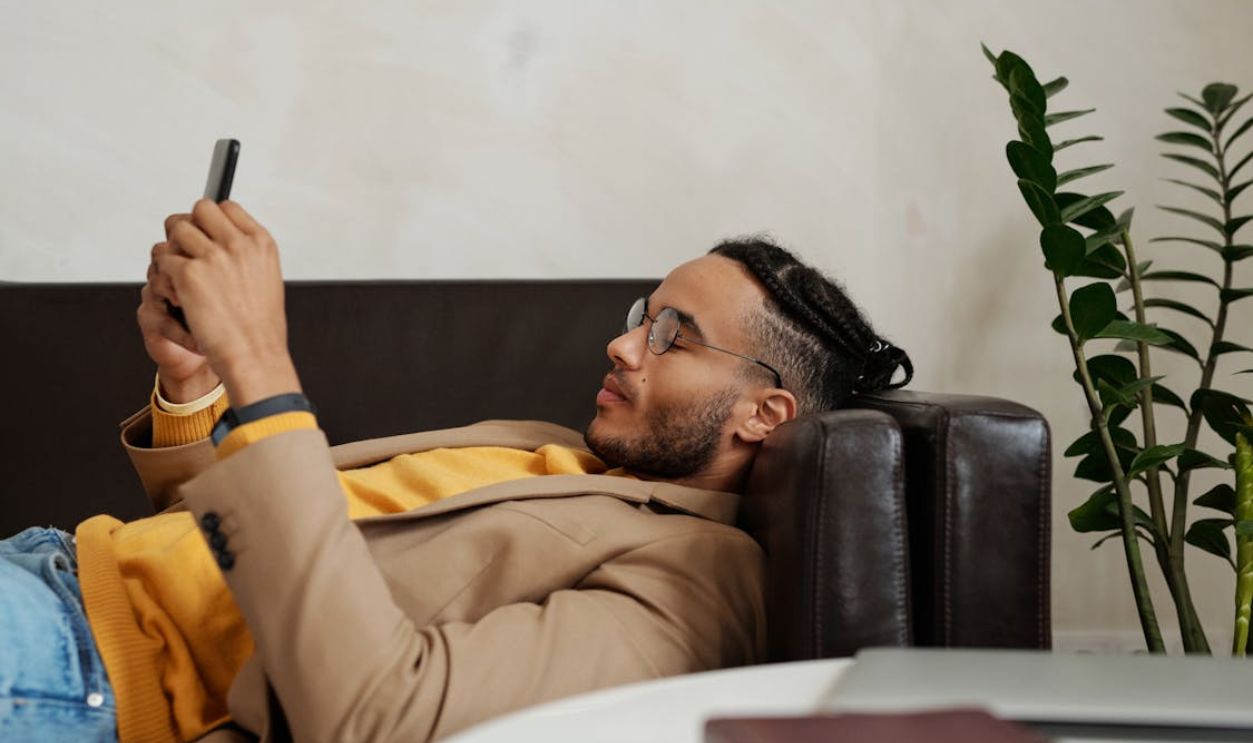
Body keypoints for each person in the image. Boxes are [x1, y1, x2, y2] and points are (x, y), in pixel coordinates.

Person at [0, 200, 912, 743]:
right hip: (56, 570)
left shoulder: (700, 585)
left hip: (80, 662)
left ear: (765, 411)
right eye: (646, 312)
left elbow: (380, 715)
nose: (624, 342)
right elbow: (249, 541)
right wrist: (196, 379)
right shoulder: (549, 446)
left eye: (674, 335)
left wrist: (259, 360)